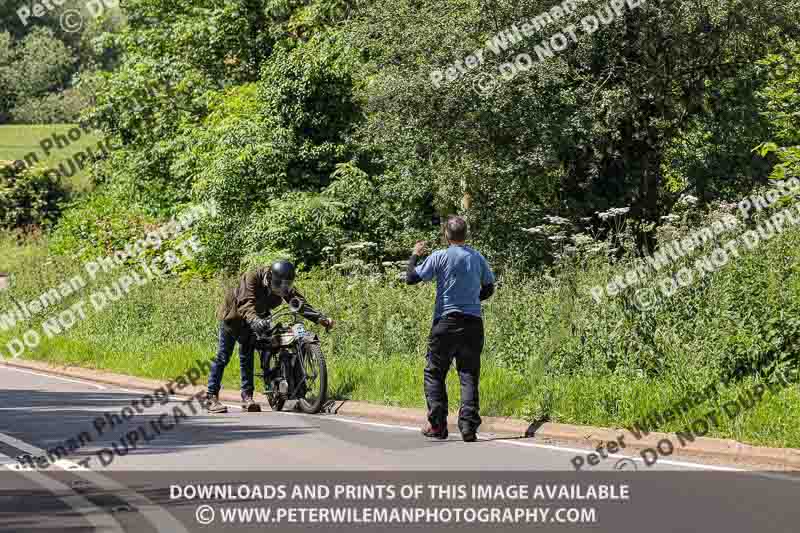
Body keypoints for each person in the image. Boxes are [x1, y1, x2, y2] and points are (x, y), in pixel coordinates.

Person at [406, 215, 496, 442]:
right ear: (465, 235)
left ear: (446, 235)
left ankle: (437, 426)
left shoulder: (440, 256)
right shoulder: (477, 258)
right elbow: (489, 287)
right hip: (473, 324)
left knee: (435, 373)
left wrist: (415, 253)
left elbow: (411, 278)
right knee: (468, 375)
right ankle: (468, 428)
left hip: (445, 323)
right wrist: (473, 299)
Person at [205, 260, 334, 414]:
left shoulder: (284, 285)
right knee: (223, 356)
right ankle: (211, 397)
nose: (282, 289)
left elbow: (298, 304)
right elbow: (246, 303)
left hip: (258, 317)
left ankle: (248, 397)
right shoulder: (252, 277)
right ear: (270, 277)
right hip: (234, 317)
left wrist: (320, 318)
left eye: (286, 285)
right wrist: (255, 320)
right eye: (279, 284)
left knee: (247, 355)